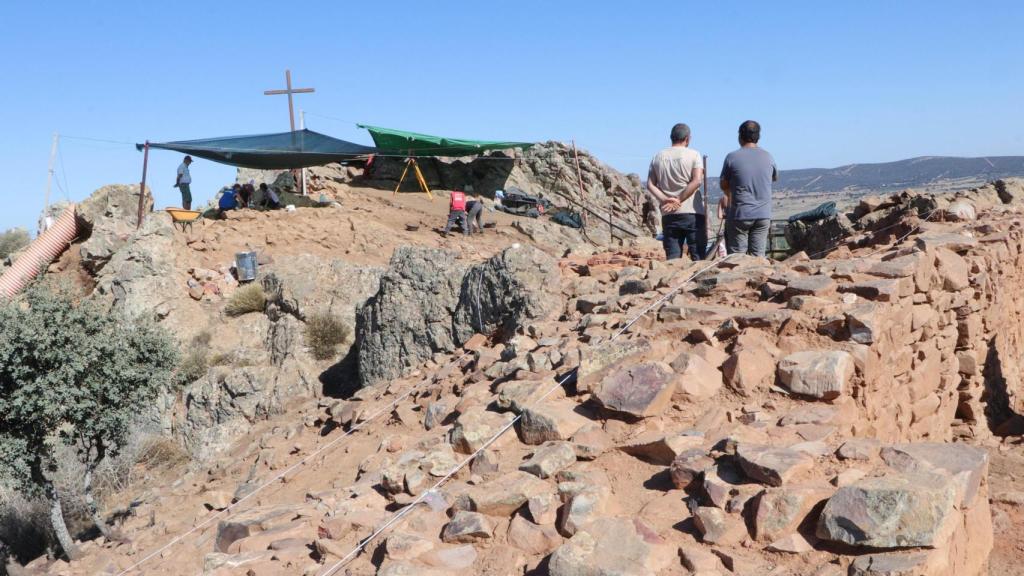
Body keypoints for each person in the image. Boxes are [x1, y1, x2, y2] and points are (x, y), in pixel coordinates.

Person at [647, 123, 706, 260]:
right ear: (687, 138)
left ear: (671, 137)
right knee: (698, 256)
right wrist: (679, 199)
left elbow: (650, 184)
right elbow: (697, 181)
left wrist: (665, 200)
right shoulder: (694, 155)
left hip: (669, 213)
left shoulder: (658, 156)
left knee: (673, 258)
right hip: (693, 212)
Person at [719, 120, 777, 257]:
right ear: (758, 136)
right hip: (763, 214)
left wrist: (729, 192)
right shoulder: (768, 157)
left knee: (737, 258)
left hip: (740, 213)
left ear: (740, 136)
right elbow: (773, 178)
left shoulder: (732, 157)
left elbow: (723, 184)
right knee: (758, 256)